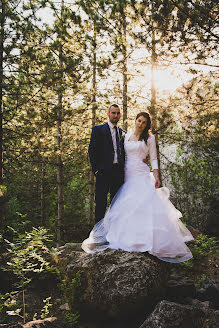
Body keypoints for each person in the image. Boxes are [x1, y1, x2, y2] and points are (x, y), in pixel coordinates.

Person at [83, 112, 194, 263]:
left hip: (141, 173)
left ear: (147, 125)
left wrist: (156, 176)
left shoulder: (149, 138)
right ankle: (127, 237)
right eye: (139, 121)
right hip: (127, 173)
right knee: (127, 205)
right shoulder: (126, 136)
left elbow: (153, 159)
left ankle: (147, 240)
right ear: (135, 121)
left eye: (144, 122)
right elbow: (118, 154)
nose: (140, 124)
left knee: (143, 204)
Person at [89, 104, 126, 224]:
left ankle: (114, 232)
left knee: (116, 204)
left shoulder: (123, 133)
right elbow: (92, 151)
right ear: (108, 114)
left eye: (117, 113)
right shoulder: (98, 130)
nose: (115, 115)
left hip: (118, 172)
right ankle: (97, 236)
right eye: (113, 113)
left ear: (120, 115)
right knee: (100, 203)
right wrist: (96, 170)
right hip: (103, 172)